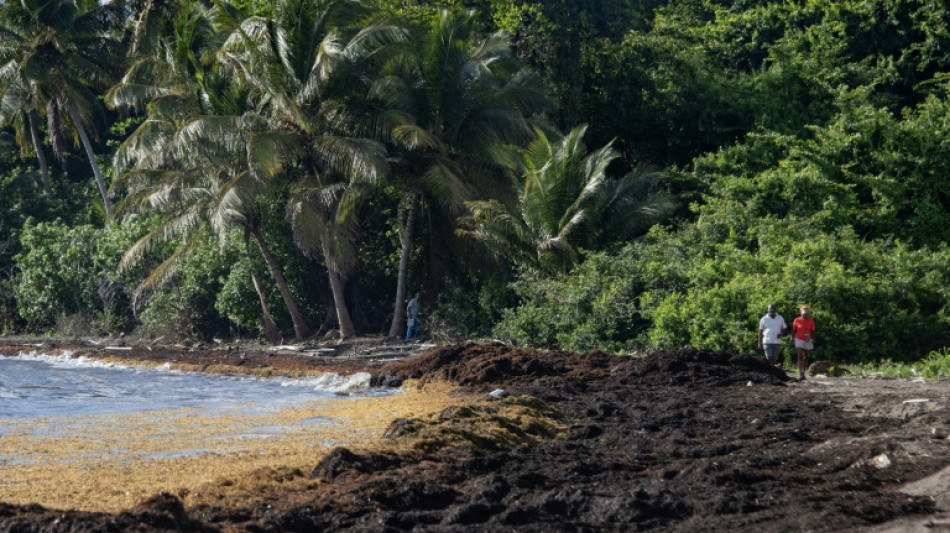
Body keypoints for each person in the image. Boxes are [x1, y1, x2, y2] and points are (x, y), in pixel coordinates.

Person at [792, 305, 816, 380]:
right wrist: (791, 338)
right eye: (804, 313)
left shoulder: (811, 320)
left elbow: (813, 331)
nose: (805, 315)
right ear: (801, 313)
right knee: (800, 355)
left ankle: (804, 371)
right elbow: (794, 331)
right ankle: (800, 373)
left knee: (806, 357)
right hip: (799, 339)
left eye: (806, 313)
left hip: (807, 339)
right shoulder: (797, 320)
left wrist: (813, 339)